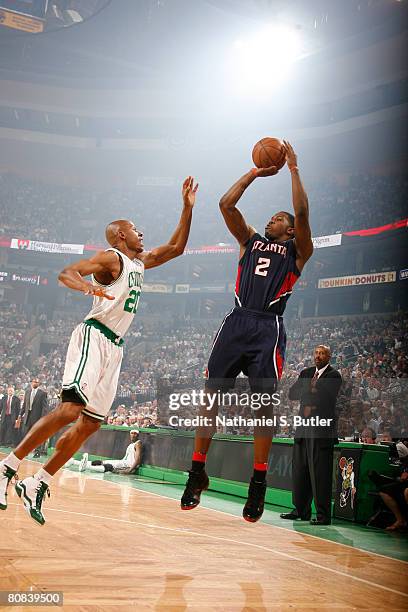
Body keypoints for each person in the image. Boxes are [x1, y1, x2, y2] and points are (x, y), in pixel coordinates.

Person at [0, 176, 198, 524]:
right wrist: (88, 290)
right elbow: (67, 273)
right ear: (121, 235)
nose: (142, 234)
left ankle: (38, 481)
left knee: (91, 424)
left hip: (115, 347)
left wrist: (186, 208)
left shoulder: (139, 262)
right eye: (135, 229)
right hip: (94, 335)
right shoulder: (112, 258)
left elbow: (176, 248)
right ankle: (8, 467)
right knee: (69, 409)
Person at [180, 141, 313, 523]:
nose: (271, 221)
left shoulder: (298, 251)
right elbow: (226, 203)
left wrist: (292, 169)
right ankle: (197, 471)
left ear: (289, 230)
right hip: (236, 321)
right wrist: (256, 172)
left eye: (277, 218)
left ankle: (258, 482)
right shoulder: (250, 241)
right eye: (270, 217)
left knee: (263, 406)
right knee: (211, 397)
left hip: (267, 327)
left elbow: (302, 212)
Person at [280, 345, 342, 525]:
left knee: (320, 473)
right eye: (316, 353)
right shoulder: (306, 372)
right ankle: (300, 510)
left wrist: (308, 391)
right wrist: (312, 390)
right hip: (303, 427)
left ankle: (323, 515)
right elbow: (292, 394)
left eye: (322, 354)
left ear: (329, 357)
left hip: (321, 430)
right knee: (300, 470)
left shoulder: (333, 375)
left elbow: (326, 398)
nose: (318, 356)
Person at [66, 429, 142, 474]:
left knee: (109, 467)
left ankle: (85, 466)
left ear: (138, 435)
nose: (133, 435)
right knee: (101, 462)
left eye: (135, 433)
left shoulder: (138, 443)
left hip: (128, 465)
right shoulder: (131, 444)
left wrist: (130, 470)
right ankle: (74, 462)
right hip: (123, 462)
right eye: (132, 433)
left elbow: (138, 459)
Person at [21, 378, 49, 457]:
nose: (35, 383)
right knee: (26, 434)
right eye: (34, 382)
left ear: (39, 384)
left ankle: (37, 451)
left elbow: (45, 407)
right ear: (31, 383)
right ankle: (25, 450)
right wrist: (20, 414)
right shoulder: (27, 391)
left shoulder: (43, 393)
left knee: (37, 435)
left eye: (36, 382)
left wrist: (42, 418)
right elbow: (24, 404)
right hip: (28, 416)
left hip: (37, 417)